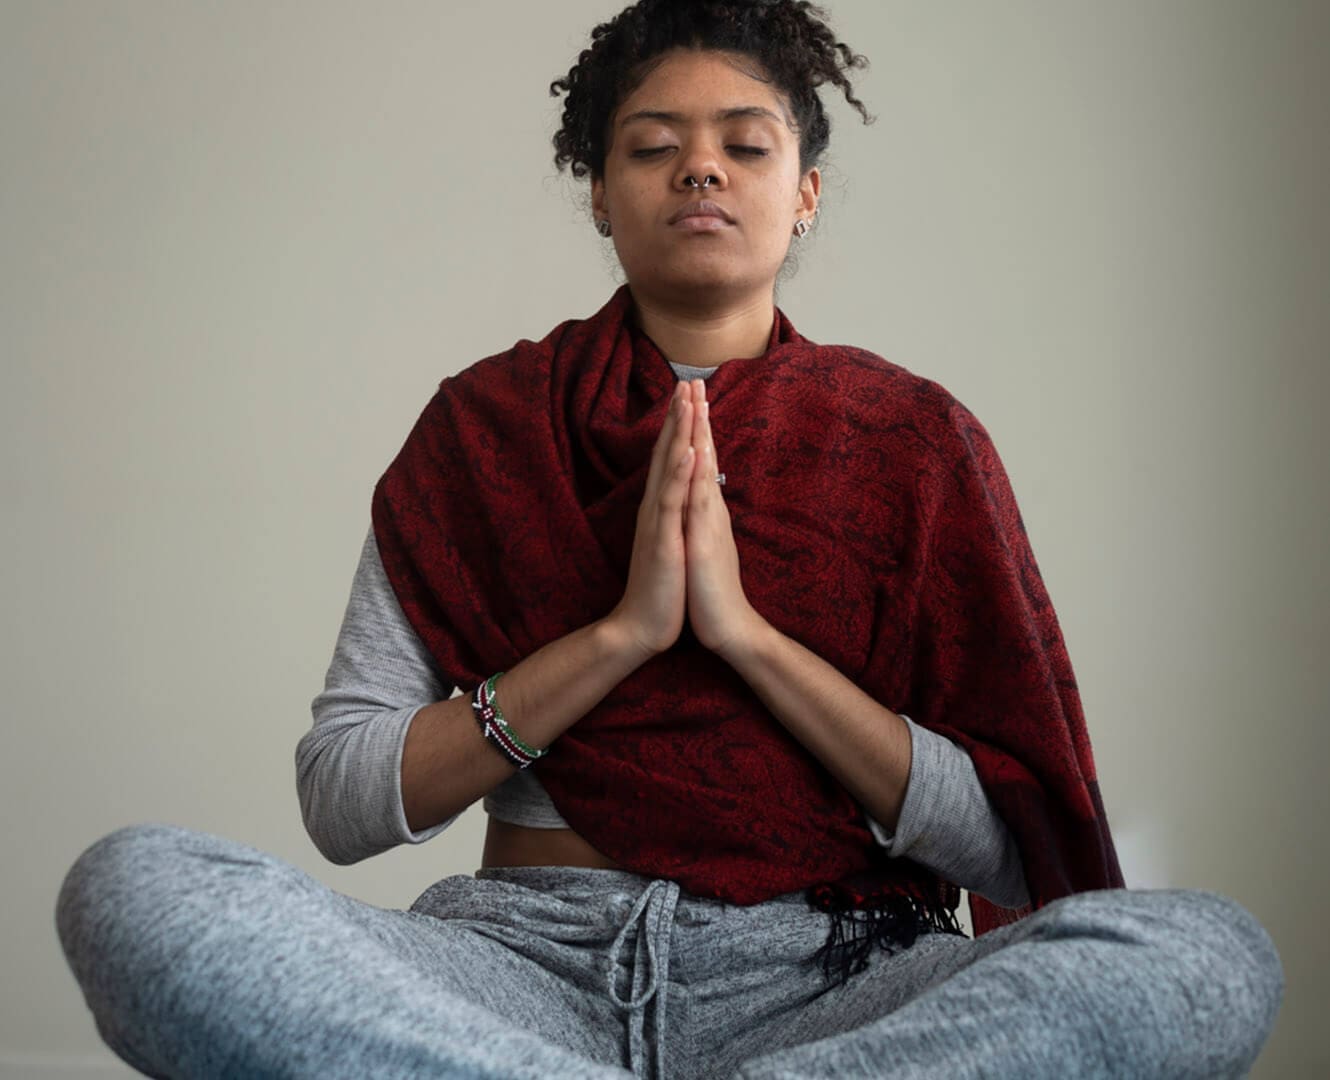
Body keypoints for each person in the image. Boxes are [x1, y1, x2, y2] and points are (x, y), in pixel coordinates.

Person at [55, 2, 1284, 1077]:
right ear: (599, 188)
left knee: (1205, 957)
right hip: (520, 965)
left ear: (803, 192)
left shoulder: (910, 441)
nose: (700, 169)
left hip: (831, 979)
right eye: (653, 147)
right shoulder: (483, 431)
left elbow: (1008, 841)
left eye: (745, 145)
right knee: (136, 891)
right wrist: (619, 636)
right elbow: (342, 801)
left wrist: (746, 638)